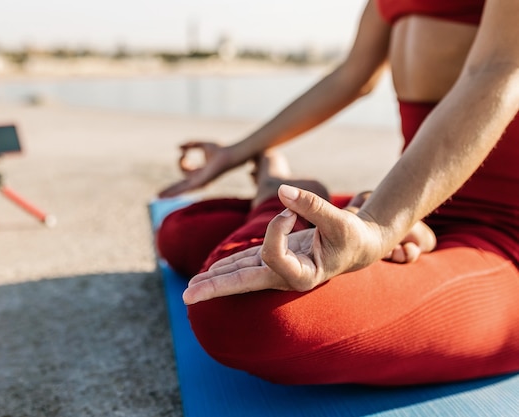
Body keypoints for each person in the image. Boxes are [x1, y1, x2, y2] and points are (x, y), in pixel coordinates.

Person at [156, 0, 519, 386]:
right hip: (416, 203)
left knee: (238, 313)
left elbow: (498, 69)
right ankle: (286, 202)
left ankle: (271, 197)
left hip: (504, 236)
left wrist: (378, 226)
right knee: (182, 232)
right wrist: (233, 152)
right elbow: (351, 76)